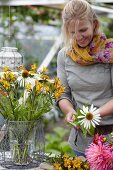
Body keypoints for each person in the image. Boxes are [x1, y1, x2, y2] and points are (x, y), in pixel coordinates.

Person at [57, 0, 113, 157]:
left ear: (94, 24)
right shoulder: (64, 55)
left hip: (109, 137)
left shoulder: (110, 53)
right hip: (80, 139)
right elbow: (63, 93)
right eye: (72, 32)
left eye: (83, 30)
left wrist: (91, 116)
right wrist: (69, 111)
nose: (78, 37)